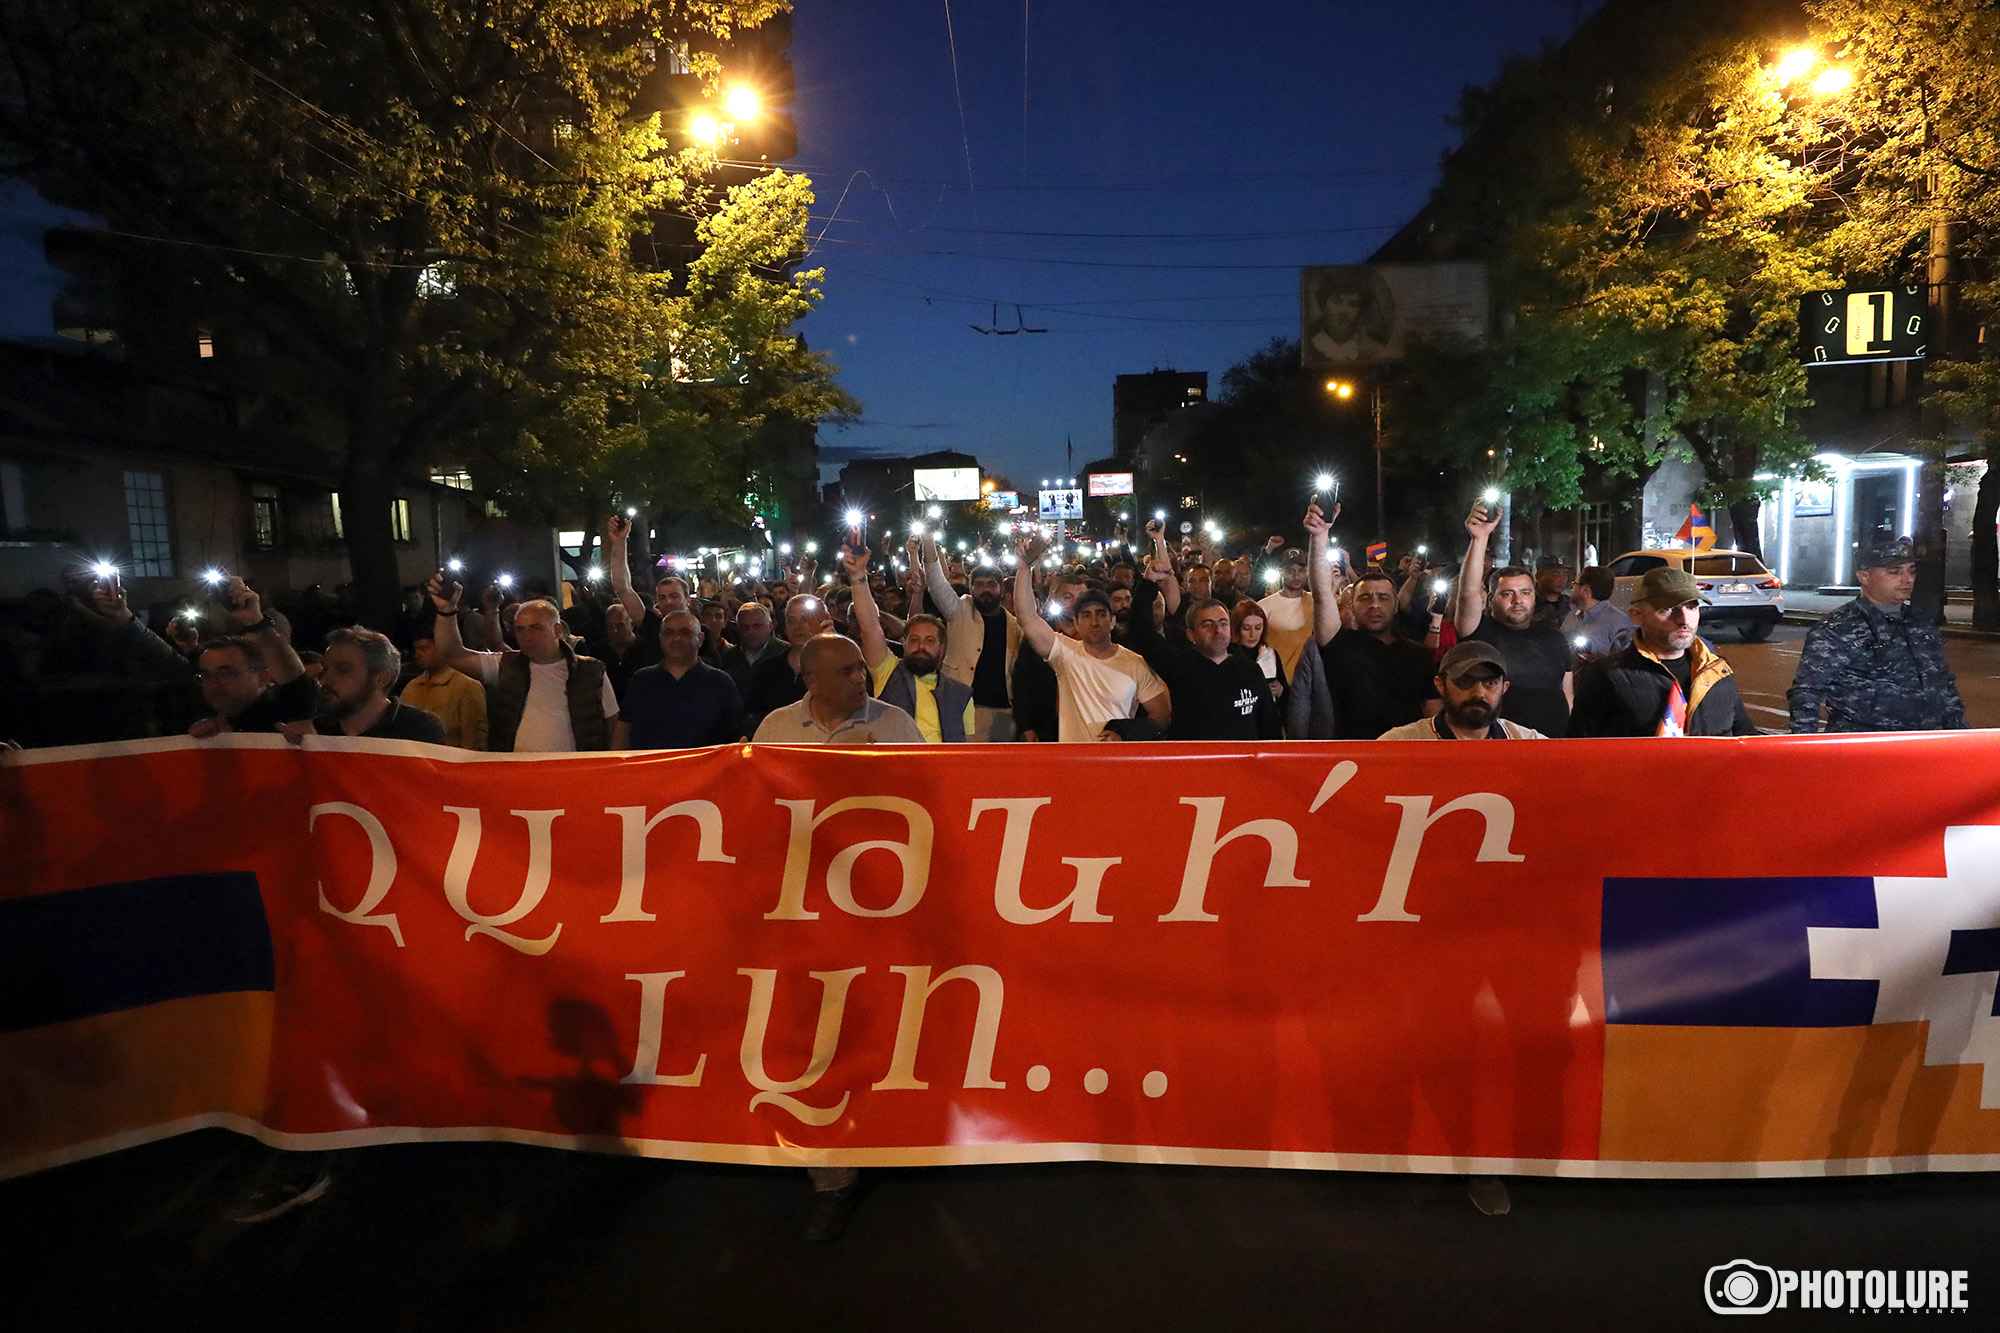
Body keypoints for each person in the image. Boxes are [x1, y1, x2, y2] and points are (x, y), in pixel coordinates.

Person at [1788, 537, 1968, 733]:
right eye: (1894, 572)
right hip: (1862, 747)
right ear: (1865, 577)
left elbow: (1943, 682)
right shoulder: (1837, 629)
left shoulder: (1919, 622)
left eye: (1911, 571)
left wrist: (1963, 736)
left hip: (1920, 743)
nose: (1907, 579)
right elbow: (1806, 693)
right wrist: (1806, 752)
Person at [424, 573, 619, 752]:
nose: (527, 636)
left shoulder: (591, 671)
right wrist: (446, 611)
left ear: (558, 629)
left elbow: (612, 726)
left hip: (575, 774)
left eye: (536, 628)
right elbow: (452, 654)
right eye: (521, 629)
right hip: (517, 774)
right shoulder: (505, 666)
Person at [1012, 534, 1171, 742]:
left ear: (1113, 621)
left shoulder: (1135, 662)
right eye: (1086, 615)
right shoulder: (1065, 653)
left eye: (1101, 614)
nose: (1094, 621)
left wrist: (1125, 733)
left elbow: (1162, 715)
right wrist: (1024, 569)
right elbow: (1027, 617)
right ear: (1077, 623)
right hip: (1072, 765)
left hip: (1117, 764)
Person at [1568, 567, 1758, 737]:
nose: (1684, 619)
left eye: (1691, 607)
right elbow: (1581, 753)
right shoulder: (1606, 676)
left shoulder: (1717, 672)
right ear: (1637, 615)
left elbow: (1747, 740)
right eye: (1667, 608)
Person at [1305, 500, 1439, 740]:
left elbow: (1433, 718)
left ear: (1396, 604)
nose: (1375, 604)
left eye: (1383, 598)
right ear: (1352, 605)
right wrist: (1319, 536)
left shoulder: (1419, 656)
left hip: (1407, 759)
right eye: (1365, 598)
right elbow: (1322, 594)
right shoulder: (1340, 646)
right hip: (1355, 761)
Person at [1451, 502, 1573, 738]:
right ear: (1490, 599)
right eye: (1507, 594)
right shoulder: (1479, 633)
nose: (1518, 600)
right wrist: (1479, 540)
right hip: (1499, 747)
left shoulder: (1554, 637)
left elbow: (1567, 695)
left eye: (1525, 593)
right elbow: (1467, 593)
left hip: (1551, 745)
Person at [1125, 564, 1281, 740]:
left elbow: (1270, 726)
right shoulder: (1180, 667)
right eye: (1207, 625)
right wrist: (1148, 583)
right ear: (1191, 634)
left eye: (1223, 623)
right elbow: (1142, 632)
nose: (1218, 630)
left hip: (1240, 765)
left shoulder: (1250, 671)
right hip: (1194, 764)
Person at [841, 545, 974, 743]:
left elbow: (969, 750)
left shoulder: (961, 694)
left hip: (942, 772)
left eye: (929, 641)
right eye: (914, 639)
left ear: (942, 648)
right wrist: (858, 577)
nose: (921, 646)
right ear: (905, 643)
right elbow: (869, 627)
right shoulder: (887, 672)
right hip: (896, 770)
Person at [921, 535, 1020, 741]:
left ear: (1002, 590)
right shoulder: (958, 610)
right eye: (980, 585)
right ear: (971, 588)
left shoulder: (1016, 625)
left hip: (1004, 711)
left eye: (991, 585)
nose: (986, 590)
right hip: (963, 708)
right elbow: (936, 582)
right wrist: (928, 540)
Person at [751, 633, 922, 746]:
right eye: (846, 672)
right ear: (812, 683)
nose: (860, 678)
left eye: (861, 668)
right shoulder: (776, 728)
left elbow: (928, 786)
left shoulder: (897, 724)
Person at [283, 627, 446, 743]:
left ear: (382, 678)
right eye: (324, 669)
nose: (324, 680)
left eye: (343, 670)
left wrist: (322, 750)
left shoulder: (418, 729)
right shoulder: (318, 729)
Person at [613, 610, 742, 749]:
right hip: (649, 767)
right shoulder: (642, 680)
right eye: (669, 633)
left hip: (704, 768)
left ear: (700, 639)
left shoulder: (720, 682)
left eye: (685, 632)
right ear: (660, 638)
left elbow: (736, 734)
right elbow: (623, 728)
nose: (676, 638)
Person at [1378, 642, 1550, 740]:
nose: (1478, 693)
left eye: (1490, 683)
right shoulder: (1402, 743)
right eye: (1465, 681)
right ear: (1440, 685)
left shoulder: (1529, 744)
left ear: (1504, 688)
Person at [743, 592, 836, 733]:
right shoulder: (769, 668)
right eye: (791, 620)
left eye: (805, 620)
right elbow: (752, 715)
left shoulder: (837, 668)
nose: (797, 627)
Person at [398, 633, 488, 749]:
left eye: (424, 649)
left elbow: (474, 739)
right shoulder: (411, 686)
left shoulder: (467, 685)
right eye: (416, 649)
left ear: (443, 648)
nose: (417, 655)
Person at [1257, 547, 1315, 684]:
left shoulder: (1317, 602)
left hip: (1309, 683)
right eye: (1290, 571)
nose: (1296, 576)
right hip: (1279, 683)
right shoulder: (1264, 606)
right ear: (1280, 572)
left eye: (1301, 571)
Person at [1561, 566, 1631, 662]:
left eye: (1575, 584)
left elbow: (1626, 664)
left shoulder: (1620, 624)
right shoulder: (1572, 617)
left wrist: (1601, 661)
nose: (1571, 588)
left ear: (1585, 590)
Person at [718, 603, 786, 698]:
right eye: (744, 627)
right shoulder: (727, 658)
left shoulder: (786, 654)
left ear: (771, 626)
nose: (750, 632)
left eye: (757, 626)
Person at [1232, 600, 1285, 701]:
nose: (1253, 634)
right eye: (1246, 628)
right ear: (1237, 628)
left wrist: (1280, 690)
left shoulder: (1270, 654)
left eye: (1258, 628)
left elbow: (1285, 695)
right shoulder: (1227, 654)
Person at [1531, 557, 1572, 630]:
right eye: (1555, 575)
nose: (1562, 580)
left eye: (1565, 575)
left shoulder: (1570, 603)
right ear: (1539, 576)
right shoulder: (1529, 603)